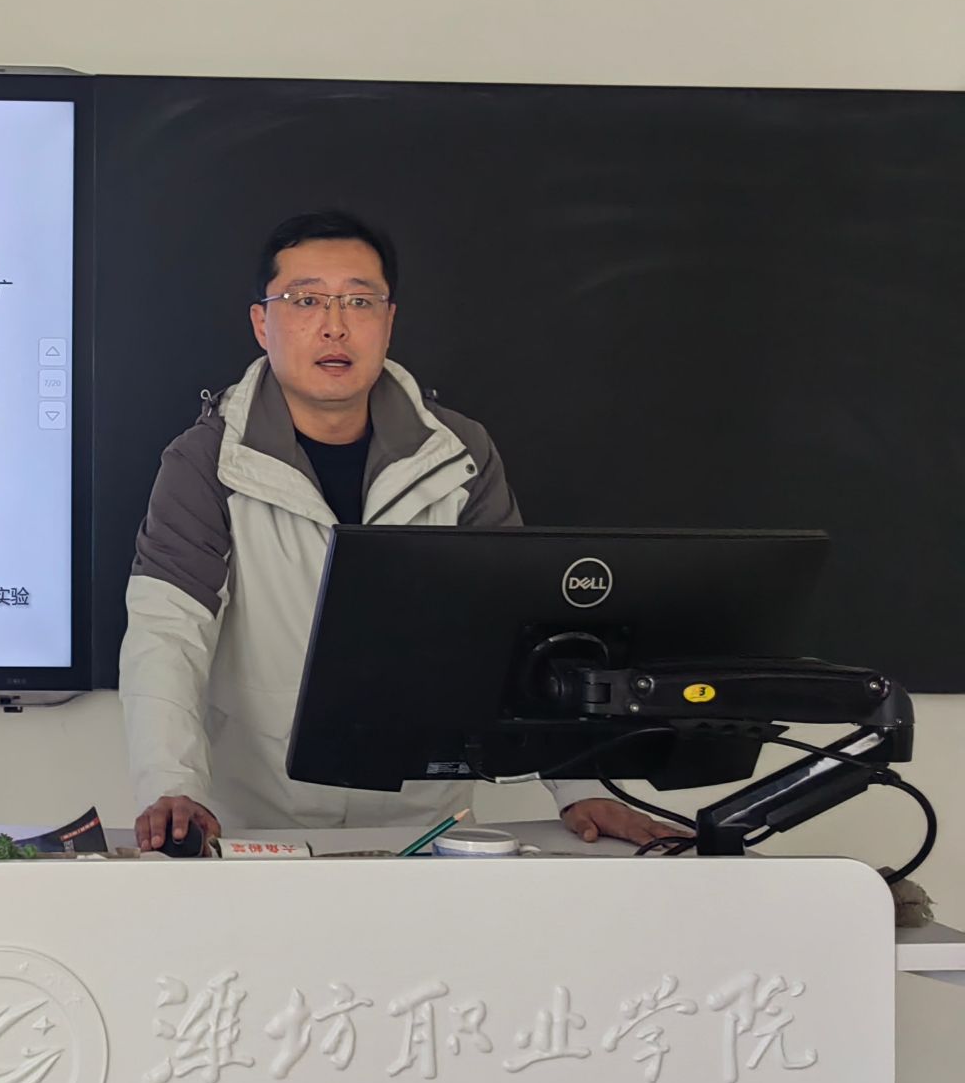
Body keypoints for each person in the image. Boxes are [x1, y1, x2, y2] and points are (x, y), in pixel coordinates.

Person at [120, 210, 681, 852]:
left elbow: (526, 631)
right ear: (261, 323)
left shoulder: (459, 454)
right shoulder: (208, 461)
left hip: (426, 825)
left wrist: (582, 785)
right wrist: (172, 785)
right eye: (306, 300)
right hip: (259, 824)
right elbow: (167, 632)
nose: (334, 325)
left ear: (388, 321)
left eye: (359, 301)